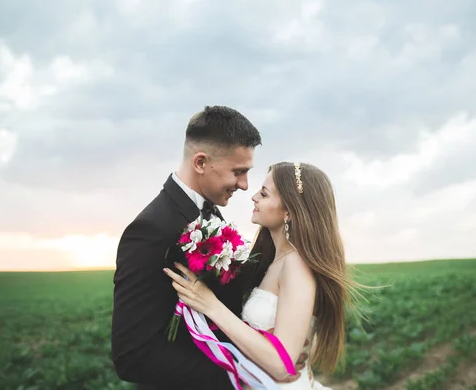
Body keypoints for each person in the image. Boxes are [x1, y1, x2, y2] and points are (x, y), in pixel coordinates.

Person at [111, 106, 307, 390]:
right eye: (238, 172)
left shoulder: (208, 212)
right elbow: (132, 356)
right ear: (200, 162)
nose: (244, 185)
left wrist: (269, 353)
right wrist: (239, 375)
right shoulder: (151, 230)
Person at [165, 162, 352, 389]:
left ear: (289, 212)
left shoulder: (297, 265)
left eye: (264, 194)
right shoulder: (274, 259)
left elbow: (282, 366)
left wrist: (211, 306)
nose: (253, 197)